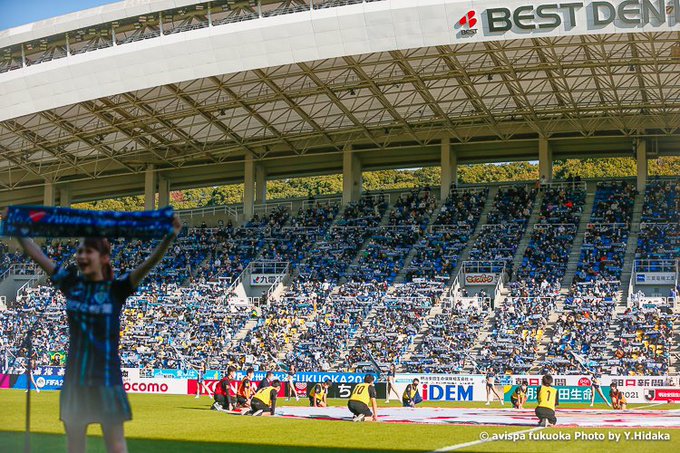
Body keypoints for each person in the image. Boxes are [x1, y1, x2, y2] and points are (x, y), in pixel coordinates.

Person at [13, 213, 182, 453]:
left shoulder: (116, 289)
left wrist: (169, 237)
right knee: (75, 447)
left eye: (88, 251)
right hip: (75, 380)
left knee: (116, 446)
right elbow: (38, 255)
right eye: (79, 251)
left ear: (103, 258)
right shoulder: (71, 285)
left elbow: (148, 264)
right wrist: (18, 230)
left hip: (107, 379)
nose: (81, 256)